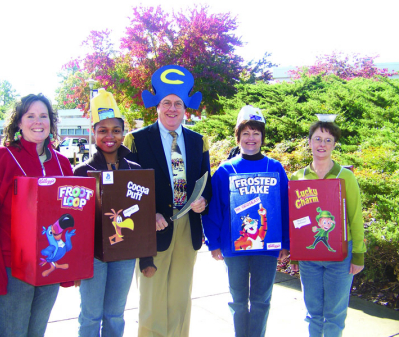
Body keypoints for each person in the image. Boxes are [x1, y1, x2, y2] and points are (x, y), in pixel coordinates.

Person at [0, 93, 73, 336]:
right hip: (11, 268)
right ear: (18, 122)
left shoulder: (62, 163)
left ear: (51, 122)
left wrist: (70, 270)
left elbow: (74, 214)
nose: (38, 122)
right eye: (31, 116)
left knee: (36, 333)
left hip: (49, 266)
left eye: (44, 116)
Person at [123, 65, 212, 337]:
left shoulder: (199, 141)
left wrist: (203, 202)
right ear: (157, 107)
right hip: (154, 227)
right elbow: (128, 187)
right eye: (166, 103)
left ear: (186, 109)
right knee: (152, 297)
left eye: (178, 104)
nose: (172, 109)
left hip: (188, 224)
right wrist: (148, 214)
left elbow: (206, 181)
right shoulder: (136, 140)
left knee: (180, 296)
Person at [73, 89, 157, 337]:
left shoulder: (136, 170)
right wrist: (76, 265)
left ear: (123, 133)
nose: (110, 136)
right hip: (92, 258)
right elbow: (76, 222)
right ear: (94, 133)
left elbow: (143, 217)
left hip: (124, 255)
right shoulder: (81, 172)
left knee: (115, 315)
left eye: (116, 130)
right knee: (90, 315)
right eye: (103, 130)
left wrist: (147, 258)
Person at [202, 105, 290, 337]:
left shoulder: (276, 168)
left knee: (261, 300)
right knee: (238, 300)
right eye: (246, 133)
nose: (251, 138)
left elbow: (285, 206)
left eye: (256, 133)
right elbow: (214, 209)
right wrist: (214, 243)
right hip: (235, 246)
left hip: (267, 247)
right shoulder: (225, 169)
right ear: (238, 137)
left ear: (262, 137)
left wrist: (285, 242)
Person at [290, 119, 366, 337]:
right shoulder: (298, 177)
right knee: (313, 312)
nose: (321, 144)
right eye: (317, 139)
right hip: (309, 258)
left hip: (340, 256)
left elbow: (355, 216)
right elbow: (296, 220)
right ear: (310, 142)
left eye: (327, 140)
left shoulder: (346, 176)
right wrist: (296, 255)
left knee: (334, 314)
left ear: (334, 144)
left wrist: (358, 253)